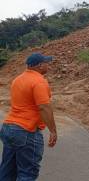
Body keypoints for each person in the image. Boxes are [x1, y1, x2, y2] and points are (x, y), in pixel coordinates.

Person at [0, 53, 57, 181]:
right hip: (26, 130)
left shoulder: (17, 79)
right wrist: (53, 131)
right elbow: (44, 107)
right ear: (40, 65)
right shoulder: (39, 82)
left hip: (8, 128)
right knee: (27, 173)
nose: (49, 65)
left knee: (7, 170)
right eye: (46, 63)